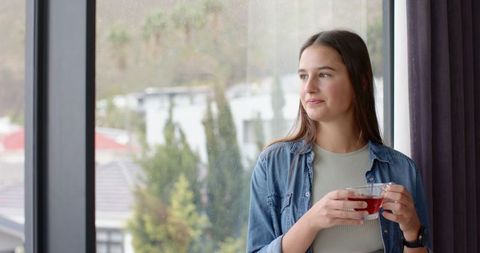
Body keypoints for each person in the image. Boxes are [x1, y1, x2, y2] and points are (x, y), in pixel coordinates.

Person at [246, 30, 431, 253]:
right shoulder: (274, 164)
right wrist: (312, 220)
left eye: (324, 75)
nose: (309, 87)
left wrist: (412, 231)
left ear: (360, 82)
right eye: (303, 76)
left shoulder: (402, 170)